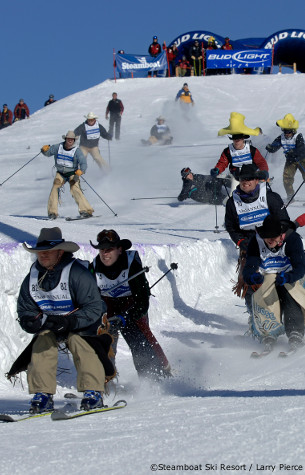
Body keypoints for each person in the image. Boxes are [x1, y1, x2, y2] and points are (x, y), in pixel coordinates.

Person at [16, 227, 114, 413]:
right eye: (40, 252)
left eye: (48, 251)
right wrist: (29, 321)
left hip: (84, 323)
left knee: (80, 340)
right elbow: (25, 308)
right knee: (42, 339)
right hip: (52, 325)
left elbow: (93, 307)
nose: (43, 255)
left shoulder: (77, 273)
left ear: (60, 252)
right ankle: (43, 394)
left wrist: (70, 322)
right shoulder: (32, 277)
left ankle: (93, 391)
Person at [89, 229, 171, 380]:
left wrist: (127, 316)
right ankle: (105, 378)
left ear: (119, 249)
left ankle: (156, 374)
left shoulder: (131, 263)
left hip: (131, 303)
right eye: (102, 250)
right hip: (108, 305)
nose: (105, 254)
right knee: (104, 338)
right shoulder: (94, 267)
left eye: (109, 249)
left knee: (138, 335)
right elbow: (91, 296)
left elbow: (142, 300)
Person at [225, 163, 290, 308]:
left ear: (256, 180)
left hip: (273, 245)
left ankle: (281, 309)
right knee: (250, 282)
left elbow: (284, 221)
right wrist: (241, 241)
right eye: (242, 179)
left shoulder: (270, 197)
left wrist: (278, 238)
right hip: (249, 246)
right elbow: (230, 226)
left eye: (249, 178)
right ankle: (255, 315)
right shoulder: (232, 202)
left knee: (277, 279)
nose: (245, 182)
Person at [243, 215, 305, 350]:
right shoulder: (256, 241)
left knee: (291, 293)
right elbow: (250, 266)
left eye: (273, 237)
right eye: (267, 236)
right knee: (264, 294)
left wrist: (289, 277)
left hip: (290, 274)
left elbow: (300, 267)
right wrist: (252, 277)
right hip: (268, 274)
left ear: (281, 235)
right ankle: (268, 332)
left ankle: (295, 332)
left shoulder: (292, 239)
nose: (270, 240)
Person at [41, 130, 94, 219]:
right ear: (65, 139)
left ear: (74, 140)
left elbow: (83, 162)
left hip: (73, 173)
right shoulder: (58, 147)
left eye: (72, 139)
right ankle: (52, 212)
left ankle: (85, 210)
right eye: (68, 139)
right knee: (55, 187)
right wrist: (44, 150)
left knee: (75, 188)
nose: (70, 141)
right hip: (61, 173)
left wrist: (81, 171)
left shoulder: (77, 151)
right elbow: (48, 153)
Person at [211, 112, 268, 193]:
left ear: (243, 138)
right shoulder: (227, 151)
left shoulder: (251, 150)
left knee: (257, 193)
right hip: (237, 177)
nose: (237, 140)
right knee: (234, 194)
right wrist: (217, 170)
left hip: (252, 177)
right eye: (234, 138)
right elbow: (222, 163)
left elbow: (261, 162)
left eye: (239, 138)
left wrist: (264, 171)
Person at [265, 113, 305, 202]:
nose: (287, 134)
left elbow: (302, 149)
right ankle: (290, 196)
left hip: (302, 160)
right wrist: (271, 148)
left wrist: (294, 152)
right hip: (290, 161)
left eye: (289, 132)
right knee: (287, 178)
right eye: (285, 131)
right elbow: (275, 145)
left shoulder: (298, 136)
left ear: (293, 130)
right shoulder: (281, 137)